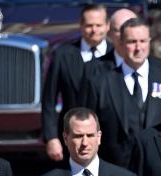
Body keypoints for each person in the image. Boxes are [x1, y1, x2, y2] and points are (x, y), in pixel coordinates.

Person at [83, 17, 161, 168]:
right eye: (132, 42)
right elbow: (89, 127)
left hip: (159, 168)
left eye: (143, 41)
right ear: (121, 44)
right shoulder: (101, 83)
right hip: (116, 170)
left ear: (149, 41)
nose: (138, 48)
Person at [41, 4, 111, 162]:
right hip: (72, 140)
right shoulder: (62, 54)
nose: (94, 30)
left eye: (99, 25)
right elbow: (49, 99)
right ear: (81, 26)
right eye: (89, 25)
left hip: (110, 142)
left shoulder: (117, 56)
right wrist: (51, 137)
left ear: (107, 26)